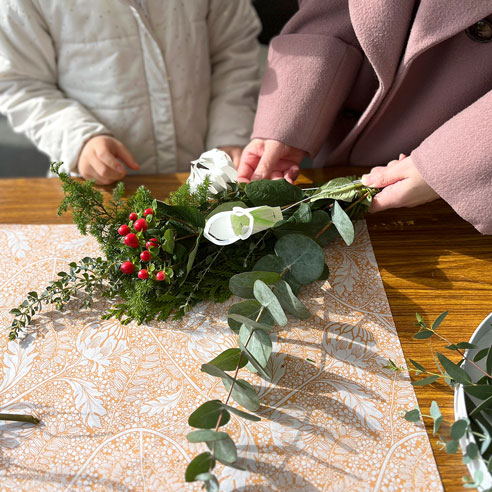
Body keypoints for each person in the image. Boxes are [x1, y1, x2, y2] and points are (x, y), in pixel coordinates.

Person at [238, 0, 492, 234]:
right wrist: (288, 119)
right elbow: (332, 9)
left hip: (462, 193)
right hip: (344, 129)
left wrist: (452, 164)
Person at [0, 0, 261, 184]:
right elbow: (20, 83)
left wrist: (230, 133)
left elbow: (234, 54)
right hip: (97, 187)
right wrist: (79, 140)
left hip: (205, 177)